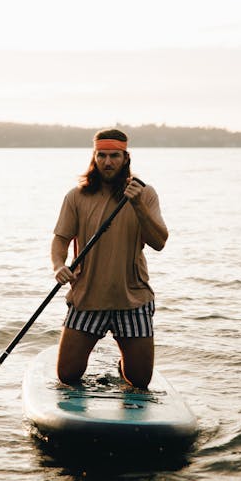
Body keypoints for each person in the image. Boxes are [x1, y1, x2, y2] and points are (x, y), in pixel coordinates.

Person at [51, 128, 168, 389]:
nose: (107, 162)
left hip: (133, 298)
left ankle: (123, 363)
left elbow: (159, 242)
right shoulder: (76, 196)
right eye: (101, 155)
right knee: (67, 375)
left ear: (126, 157)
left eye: (114, 155)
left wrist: (137, 205)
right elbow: (60, 240)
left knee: (139, 381)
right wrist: (59, 265)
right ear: (94, 157)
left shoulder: (145, 194)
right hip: (87, 297)